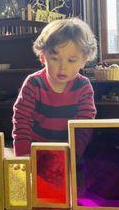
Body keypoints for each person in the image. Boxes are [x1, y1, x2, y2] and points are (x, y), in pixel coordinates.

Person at [12, 17, 97, 156]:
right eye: (55, 58)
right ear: (43, 57)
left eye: (71, 60)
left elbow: (84, 126)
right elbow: (21, 122)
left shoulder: (83, 86)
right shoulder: (33, 83)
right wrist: (24, 157)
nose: (62, 67)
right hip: (36, 151)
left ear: (84, 61)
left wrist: (74, 155)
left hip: (70, 151)